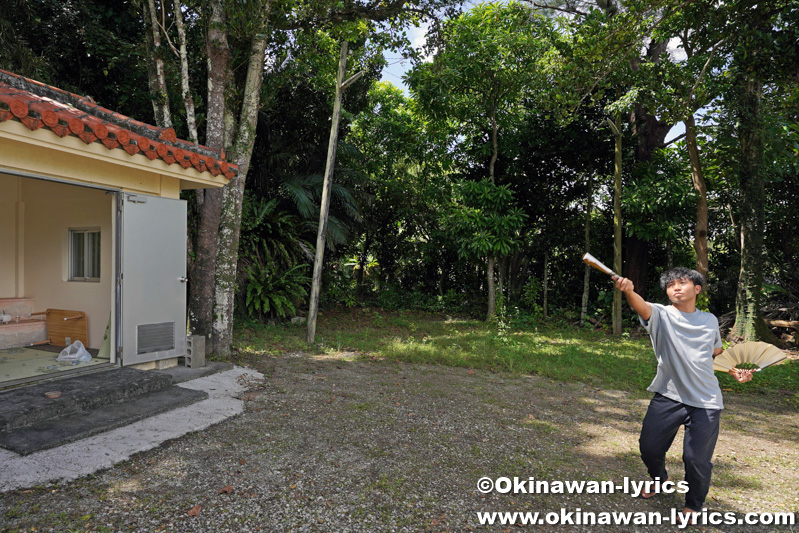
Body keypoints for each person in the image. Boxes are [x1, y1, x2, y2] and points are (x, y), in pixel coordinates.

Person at [614, 267, 752, 519]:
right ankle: (659, 478)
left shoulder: (709, 320)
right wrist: (629, 291)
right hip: (669, 395)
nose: (675, 288)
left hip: (706, 400)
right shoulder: (661, 314)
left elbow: (715, 355)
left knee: (696, 460)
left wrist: (734, 371)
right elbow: (641, 306)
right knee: (649, 448)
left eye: (682, 283)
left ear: (697, 289)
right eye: (670, 285)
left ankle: (693, 505)